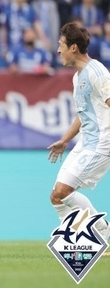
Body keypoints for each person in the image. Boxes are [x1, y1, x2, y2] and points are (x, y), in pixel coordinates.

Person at [48, 22, 110, 240]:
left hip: (102, 143)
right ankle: (72, 240)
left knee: (64, 191)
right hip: (85, 143)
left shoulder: (98, 73)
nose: (58, 50)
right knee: (56, 196)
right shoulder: (77, 77)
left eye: (61, 45)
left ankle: (103, 233)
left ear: (73, 47)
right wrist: (65, 140)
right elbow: (83, 114)